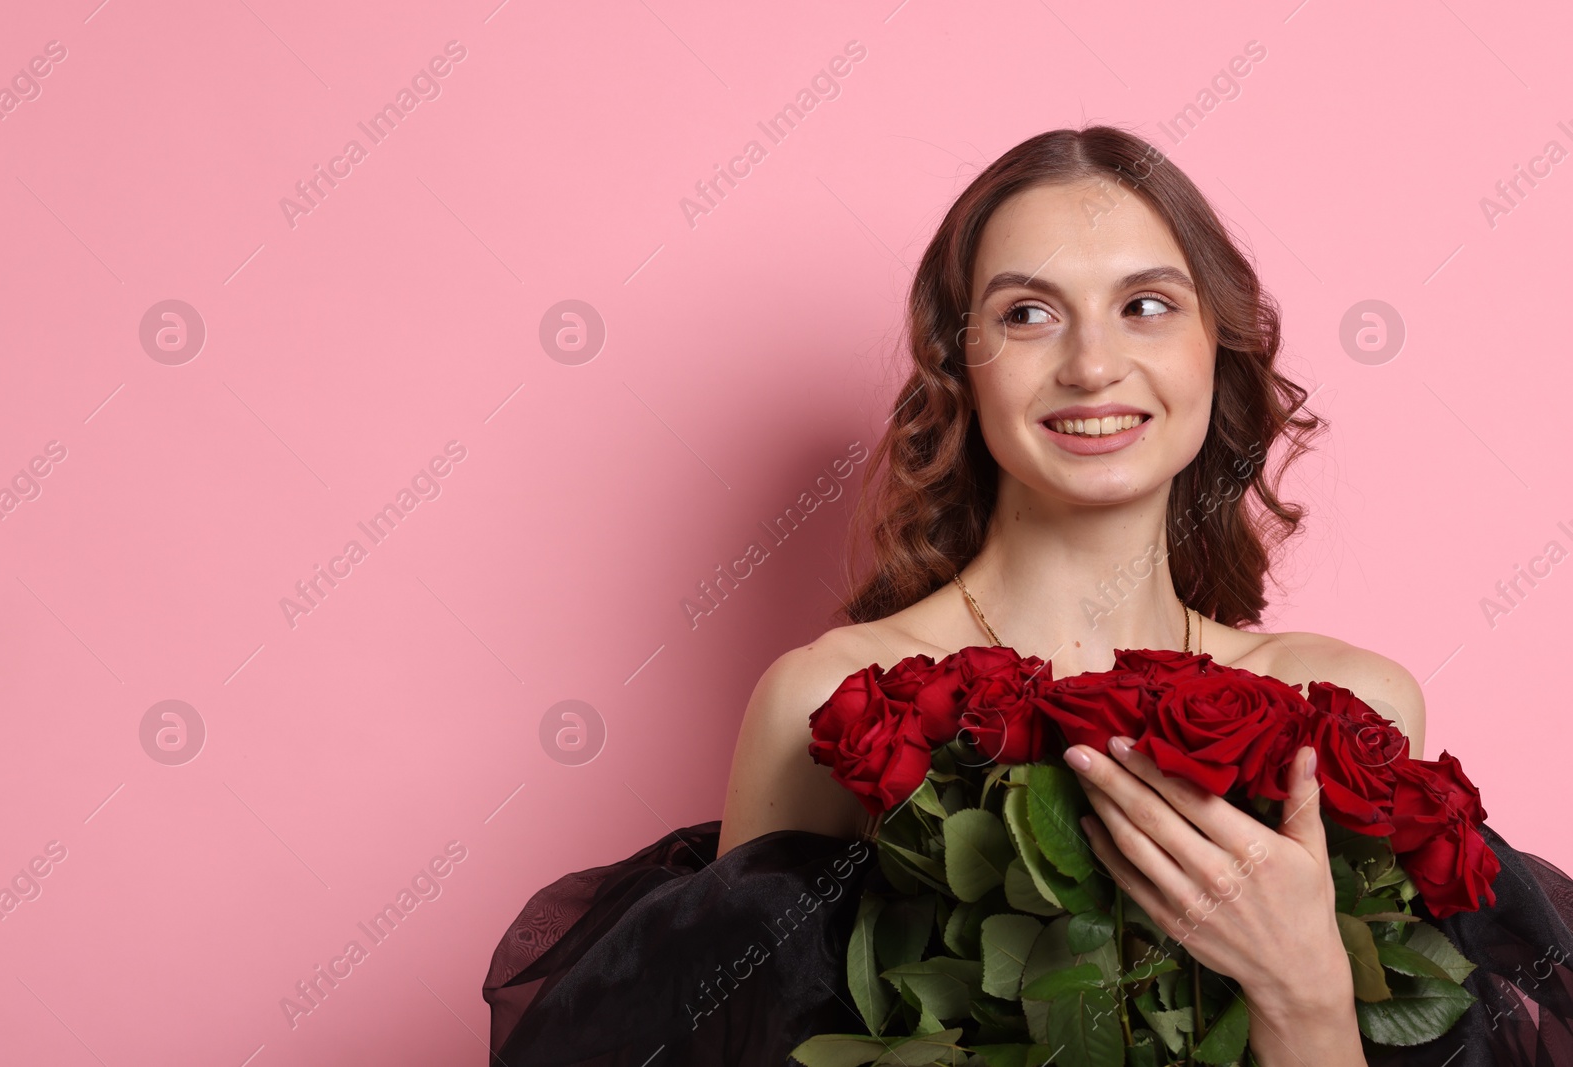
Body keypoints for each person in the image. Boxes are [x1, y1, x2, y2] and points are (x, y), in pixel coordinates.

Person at [482, 126, 1573, 1066]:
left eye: (1146, 304)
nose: (1093, 363)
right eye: (1027, 314)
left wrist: (1305, 995)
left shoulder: (1344, 705)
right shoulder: (828, 700)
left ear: (1215, 347)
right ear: (959, 364)